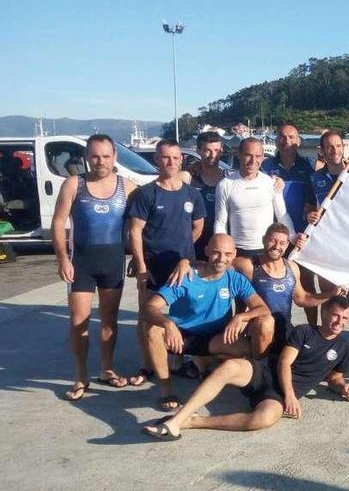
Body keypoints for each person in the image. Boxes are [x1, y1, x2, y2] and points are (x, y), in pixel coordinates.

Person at [141, 295, 349, 441]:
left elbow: (335, 377)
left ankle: (194, 422)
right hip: (266, 372)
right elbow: (284, 363)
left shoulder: (343, 347)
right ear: (324, 312)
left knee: (263, 419)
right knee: (230, 366)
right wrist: (291, 395)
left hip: (276, 395)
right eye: (336, 315)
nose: (340, 321)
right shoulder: (305, 331)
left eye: (344, 318)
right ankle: (177, 420)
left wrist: (343, 388)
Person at [141, 234, 273, 411]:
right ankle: (166, 391)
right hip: (182, 339)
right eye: (216, 253)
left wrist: (241, 317)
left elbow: (263, 308)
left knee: (257, 336)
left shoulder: (235, 279)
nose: (221, 259)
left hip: (216, 339)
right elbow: (149, 308)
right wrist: (168, 324)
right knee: (152, 329)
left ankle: (255, 381)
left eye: (227, 254)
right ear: (206, 251)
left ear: (234, 254)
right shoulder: (185, 277)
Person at [51, 134, 137, 400]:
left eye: (106, 156)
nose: (100, 161)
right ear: (87, 157)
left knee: (109, 321)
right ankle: (80, 376)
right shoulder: (74, 185)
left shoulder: (128, 187)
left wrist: (136, 256)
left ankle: (107, 369)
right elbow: (58, 223)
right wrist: (63, 259)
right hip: (82, 264)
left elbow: (138, 227)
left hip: (112, 262)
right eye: (95, 156)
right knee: (79, 322)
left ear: (115, 157)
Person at [128, 139, 207, 387]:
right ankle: (147, 365)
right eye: (165, 157)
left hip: (182, 268)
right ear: (156, 160)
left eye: (175, 157)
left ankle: (179, 360)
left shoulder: (192, 193)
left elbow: (198, 227)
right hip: (153, 268)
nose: (170, 162)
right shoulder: (145, 193)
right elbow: (135, 232)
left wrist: (184, 252)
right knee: (147, 318)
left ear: (181, 160)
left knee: (183, 316)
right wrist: (141, 266)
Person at [302, 130, 349, 363]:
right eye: (329, 147)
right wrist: (310, 215)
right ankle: (324, 342)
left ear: (343, 147)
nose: (335, 150)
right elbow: (308, 209)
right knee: (329, 296)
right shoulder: (314, 178)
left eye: (338, 146)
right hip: (326, 246)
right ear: (322, 150)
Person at [232, 222, 346, 357]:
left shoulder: (291, 267)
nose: (276, 246)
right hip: (258, 330)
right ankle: (258, 364)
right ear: (264, 240)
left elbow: (302, 299)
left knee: (311, 351)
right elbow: (222, 266)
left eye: (281, 243)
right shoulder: (248, 265)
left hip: (284, 330)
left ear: (287, 245)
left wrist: (331, 294)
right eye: (272, 241)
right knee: (265, 323)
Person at [261, 123, 320, 324]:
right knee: (270, 287)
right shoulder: (265, 167)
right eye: (282, 137)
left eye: (292, 137)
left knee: (306, 286)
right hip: (273, 239)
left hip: (300, 237)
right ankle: (272, 331)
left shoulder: (309, 166)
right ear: (276, 140)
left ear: (299, 141)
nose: (287, 141)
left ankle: (312, 330)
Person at [214, 137, 295, 259]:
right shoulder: (225, 184)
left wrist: (293, 237)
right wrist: (222, 252)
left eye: (258, 156)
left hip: (267, 250)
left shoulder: (271, 182)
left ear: (263, 157)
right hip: (238, 252)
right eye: (248, 155)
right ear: (239, 155)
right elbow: (220, 223)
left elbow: (282, 216)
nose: (253, 160)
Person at [190, 131, 228, 260]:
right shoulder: (189, 178)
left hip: (222, 247)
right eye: (207, 150)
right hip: (195, 244)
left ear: (222, 150)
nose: (213, 155)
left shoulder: (230, 179)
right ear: (198, 150)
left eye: (217, 150)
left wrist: (277, 180)